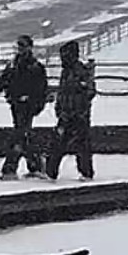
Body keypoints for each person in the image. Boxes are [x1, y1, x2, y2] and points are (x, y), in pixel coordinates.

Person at [0, 34, 49, 178]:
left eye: (23, 46)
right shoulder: (13, 65)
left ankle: (10, 168)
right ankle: (36, 165)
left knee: (18, 135)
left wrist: (36, 104)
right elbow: (3, 81)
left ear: (29, 48)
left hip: (28, 106)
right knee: (24, 135)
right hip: (15, 105)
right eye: (19, 46)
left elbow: (41, 89)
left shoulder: (35, 67)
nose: (20, 48)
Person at [46, 39, 96, 180]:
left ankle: (85, 173)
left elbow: (89, 92)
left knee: (79, 145)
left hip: (78, 115)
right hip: (66, 114)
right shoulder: (66, 72)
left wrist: (77, 111)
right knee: (59, 144)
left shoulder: (80, 72)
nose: (63, 58)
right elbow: (63, 93)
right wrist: (59, 109)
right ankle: (51, 173)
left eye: (65, 55)